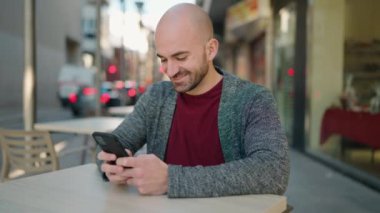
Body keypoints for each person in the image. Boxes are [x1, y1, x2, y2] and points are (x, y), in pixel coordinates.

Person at [97, 3, 289, 198]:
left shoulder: (253, 100)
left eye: (180, 57)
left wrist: (171, 180)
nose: (170, 71)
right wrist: (111, 164)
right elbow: (116, 142)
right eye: (163, 59)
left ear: (211, 49)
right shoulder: (156, 97)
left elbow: (274, 171)